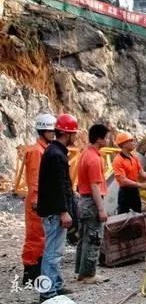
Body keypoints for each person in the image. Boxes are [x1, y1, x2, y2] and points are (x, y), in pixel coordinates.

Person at [37, 113, 79, 302]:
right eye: (74, 133)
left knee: (55, 251)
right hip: (55, 212)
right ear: (67, 133)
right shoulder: (56, 154)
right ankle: (47, 292)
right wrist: (64, 212)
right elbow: (57, 187)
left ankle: (56, 285)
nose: (76, 136)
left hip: (53, 210)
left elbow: (60, 184)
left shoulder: (54, 151)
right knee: (52, 253)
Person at [22, 113, 56, 285]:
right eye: (51, 131)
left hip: (41, 199)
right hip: (36, 200)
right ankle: (31, 271)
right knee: (35, 236)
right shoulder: (37, 152)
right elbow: (35, 178)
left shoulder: (43, 150)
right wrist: (36, 199)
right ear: (43, 131)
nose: (54, 134)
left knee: (41, 235)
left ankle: (36, 269)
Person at [75, 124, 110, 284]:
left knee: (83, 238)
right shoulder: (94, 159)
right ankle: (89, 274)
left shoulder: (84, 154)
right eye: (107, 137)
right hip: (91, 202)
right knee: (94, 238)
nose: (109, 140)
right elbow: (95, 186)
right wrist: (101, 209)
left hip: (83, 201)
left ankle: (80, 272)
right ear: (99, 139)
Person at [112, 132, 146, 214]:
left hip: (134, 191)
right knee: (122, 218)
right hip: (125, 193)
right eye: (130, 141)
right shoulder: (118, 160)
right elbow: (123, 180)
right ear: (123, 144)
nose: (133, 143)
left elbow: (142, 174)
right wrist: (140, 185)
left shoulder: (134, 157)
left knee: (138, 215)